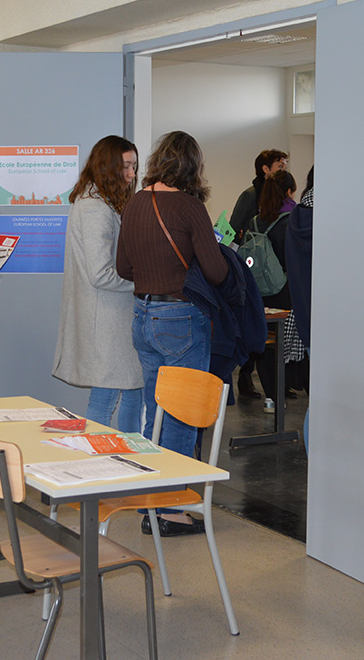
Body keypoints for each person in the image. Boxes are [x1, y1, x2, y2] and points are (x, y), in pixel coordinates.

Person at [117, 130, 227, 536]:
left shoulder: (135, 203)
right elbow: (216, 271)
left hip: (142, 316)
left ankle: (152, 499)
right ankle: (169, 510)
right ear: (192, 165)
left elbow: (123, 268)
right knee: (182, 415)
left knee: (156, 410)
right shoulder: (190, 207)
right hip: (181, 318)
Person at [53, 136, 143, 432]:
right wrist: (144, 281)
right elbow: (101, 274)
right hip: (107, 319)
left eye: (134, 166)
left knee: (132, 392)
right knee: (106, 398)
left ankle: (129, 452)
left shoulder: (101, 201)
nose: (131, 174)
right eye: (126, 166)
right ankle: (100, 455)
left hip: (113, 318)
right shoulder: (95, 207)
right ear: (107, 167)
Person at [228, 148, 287, 398]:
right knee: (255, 324)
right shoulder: (250, 196)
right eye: (279, 165)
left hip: (273, 271)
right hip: (254, 268)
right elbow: (233, 228)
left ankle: (277, 383)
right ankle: (245, 376)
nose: (283, 169)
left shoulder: (280, 198)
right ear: (265, 169)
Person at [250, 170, 298, 406]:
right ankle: (282, 391)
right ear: (288, 192)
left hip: (259, 288)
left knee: (265, 341)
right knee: (283, 342)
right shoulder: (291, 221)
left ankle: (271, 396)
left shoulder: (256, 220)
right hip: (283, 289)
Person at [285, 166, 314, 448]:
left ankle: (314, 460)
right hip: (331, 321)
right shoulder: (330, 218)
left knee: (318, 399)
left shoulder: (296, 216)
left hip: (304, 316)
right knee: (325, 401)